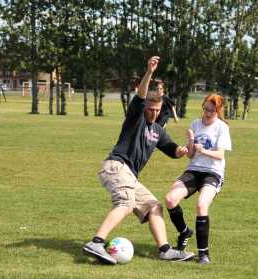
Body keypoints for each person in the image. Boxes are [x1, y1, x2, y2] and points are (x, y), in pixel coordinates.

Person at [83, 56, 195, 264]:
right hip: (116, 166)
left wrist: (188, 146)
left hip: (130, 176)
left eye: (157, 110)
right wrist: (149, 72)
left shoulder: (159, 131)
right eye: (150, 110)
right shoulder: (136, 118)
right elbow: (141, 95)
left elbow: (175, 152)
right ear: (144, 109)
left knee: (154, 206)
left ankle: (165, 250)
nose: (153, 113)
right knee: (125, 203)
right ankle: (96, 243)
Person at [165, 94, 231, 264]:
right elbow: (191, 156)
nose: (207, 113)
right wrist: (191, 141)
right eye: (206, 109)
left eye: (212, 110)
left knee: (202, 205)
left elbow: (220, 155)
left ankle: (203, 253)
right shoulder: (195, 124)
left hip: (213, 173)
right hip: (194, 170)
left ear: (218, 110)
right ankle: (185, 232)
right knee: (170, 199)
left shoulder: (221, 127)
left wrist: (204, 151)